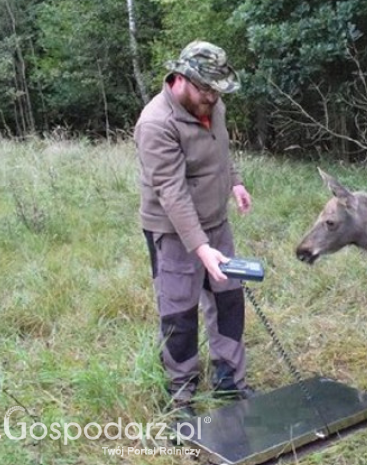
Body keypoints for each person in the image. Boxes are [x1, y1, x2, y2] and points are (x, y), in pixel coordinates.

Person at [135, 41, 254, 417]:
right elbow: (172, 193)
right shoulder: (156, 124)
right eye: (207, 90)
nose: (214, 99)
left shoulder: (212, 104)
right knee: (179, 314)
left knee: (229, 301)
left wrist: (234, 182)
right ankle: (180, 397)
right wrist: (201, 248)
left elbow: (221, 151)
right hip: (172, 233)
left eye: (218, 90)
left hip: (216, 222)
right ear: (183, 79)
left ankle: (228, 383)